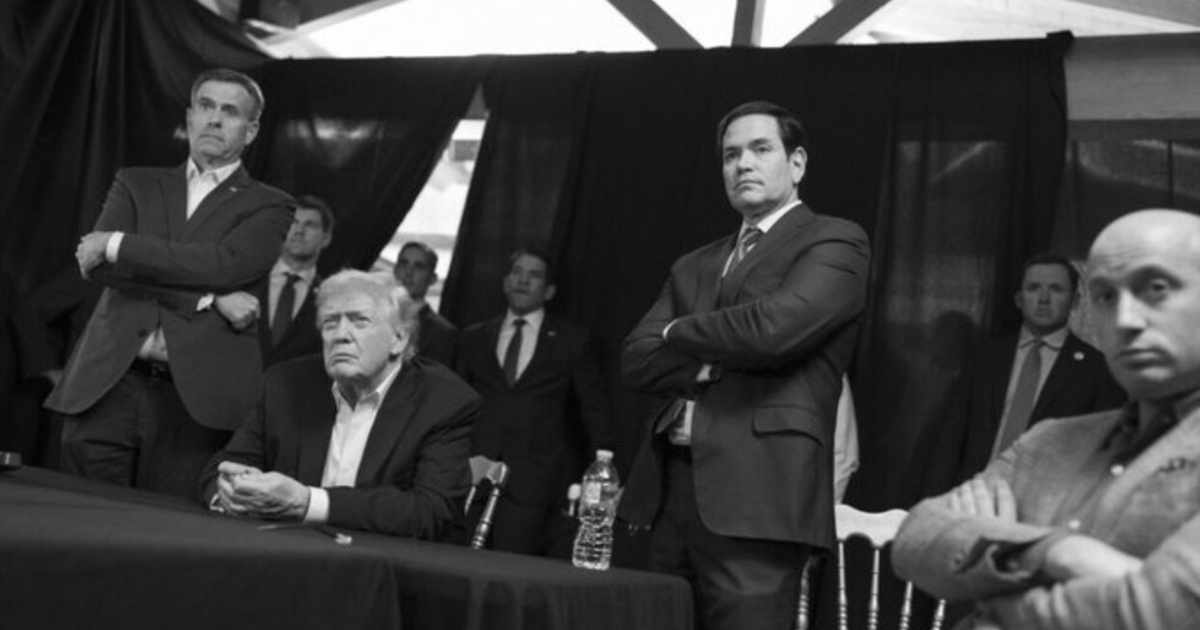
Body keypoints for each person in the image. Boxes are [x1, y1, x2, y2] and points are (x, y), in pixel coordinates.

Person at [620, 101, 870, 630]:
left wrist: (676, 330)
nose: (743, 164)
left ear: (796, 163)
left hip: (761, 501)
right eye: (731, 155)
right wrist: (707, 367)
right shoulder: (694, 263)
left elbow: (772, 330)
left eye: (760, 149)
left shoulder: (836, 240)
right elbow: (636, 359)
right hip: (669, 493)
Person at [893, 208, 1200, 630]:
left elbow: (1155, 612)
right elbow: (915, 538)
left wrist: (994, 591)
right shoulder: (1049, 440)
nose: (1125, 319)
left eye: (1157, 288)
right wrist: (1059, 552)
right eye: (1106, 296)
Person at [45, 68, 293, 498]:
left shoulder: (272, 205)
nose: (214, 119)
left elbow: (225, 266)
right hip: (108, 385)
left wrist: (119, 243)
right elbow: (102, 270)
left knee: (165, 527)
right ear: (190, 116)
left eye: (230, 111)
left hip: (196, 401)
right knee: (81, 517)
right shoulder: (134, 182)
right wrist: (209, 299)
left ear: (251, 130)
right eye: (206, 106)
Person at [198, 270, 479, 539]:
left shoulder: (444, 401)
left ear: (398, 339)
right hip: (287, 550)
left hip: (385, 562)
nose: (340, 335)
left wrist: (309, 502)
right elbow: (223, 468)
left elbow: (430, 512)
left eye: (359, 321)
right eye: (330, 322)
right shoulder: (285, 384)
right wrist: (229, 493)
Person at [456, 248, 614, 555]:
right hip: (473, 475)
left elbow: (594, 411)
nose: (523, 281)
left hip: (532, 482)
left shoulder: (572, 340)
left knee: (511, 567)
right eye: (517, 272)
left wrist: (603, 471)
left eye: (534, 275)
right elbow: (457, 404)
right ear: (505, 281)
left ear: (549, 290)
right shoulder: (475, 336)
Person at [924, 253, 1125, 493]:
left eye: (1056, 289)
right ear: (1019, 299)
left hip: (1046, 502)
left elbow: (1103, 455)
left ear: (1075, 301)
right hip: (974, 495)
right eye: (1033, 288)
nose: (1043, 298)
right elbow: (951, 438)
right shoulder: (986, 358)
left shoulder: (1097, 370)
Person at [255, 195, 333, 367]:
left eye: (310, 225)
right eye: (293, 222)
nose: (299, 231)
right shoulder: (248, 277)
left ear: (326, 238)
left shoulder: (331, 300)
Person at [393, 241, 458, 366]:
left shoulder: (442, 333)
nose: (408, 272)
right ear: (395, 270)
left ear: (432, 278)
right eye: (403, 264)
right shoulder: (375, 315)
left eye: (418, 267)